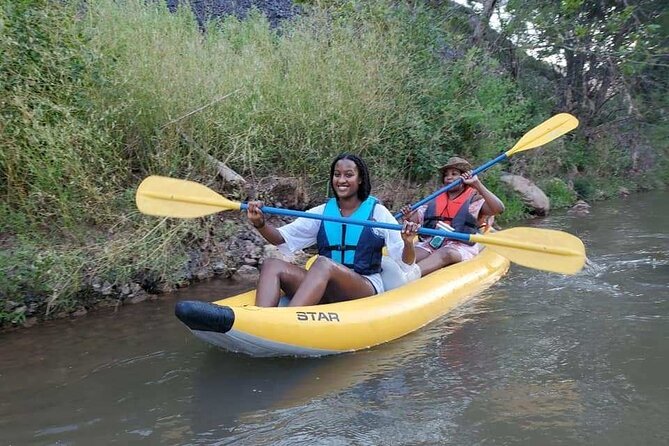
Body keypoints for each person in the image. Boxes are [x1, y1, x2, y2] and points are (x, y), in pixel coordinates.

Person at [247, 153, 419, 307]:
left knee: (322, 263)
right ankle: (259, 318)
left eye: (349, 175)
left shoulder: (378, 213)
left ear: (360, 179)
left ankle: (287, 321)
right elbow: (280, 238)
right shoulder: (321, 212)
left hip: (363, 286)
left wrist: (408, 243)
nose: (341, 180)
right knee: (271, 265)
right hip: (325, 285)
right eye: (337, 175)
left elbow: (406, 261)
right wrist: (260, 223)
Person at [401, 156, 505, 276]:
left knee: (447, 253)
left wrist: (477, 184)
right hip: (432, 242)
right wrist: (408, 216)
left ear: (465, 177)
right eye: (446, 175)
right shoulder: (434, 199)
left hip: (460, 245)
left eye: (454, 174)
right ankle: (395, 275)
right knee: (417, 252)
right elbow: (414, 221)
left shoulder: (474, 200)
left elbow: (499, 209)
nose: (449, 177)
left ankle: (409, 277)